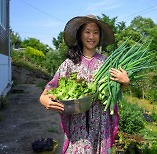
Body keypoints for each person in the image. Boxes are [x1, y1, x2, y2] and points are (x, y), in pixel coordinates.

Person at [40, 15, 130, 153]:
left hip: (101, 125)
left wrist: (124, 83)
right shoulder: (69, 64)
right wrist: (44, 100)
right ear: (80, 34)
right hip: (77, 127)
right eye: (87, 31)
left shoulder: (108, 63)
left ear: (100, 36)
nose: (91, 36)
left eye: (95, 32)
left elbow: (115, 92)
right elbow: (50, 88)